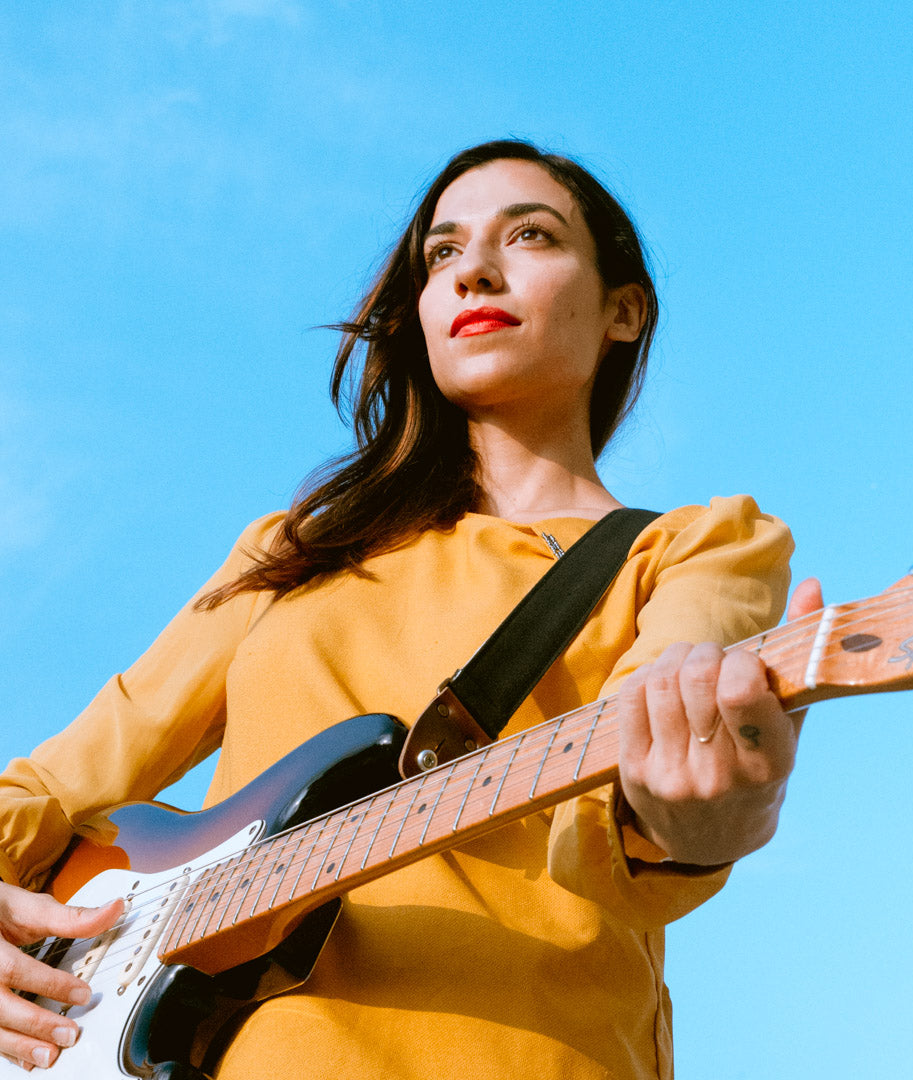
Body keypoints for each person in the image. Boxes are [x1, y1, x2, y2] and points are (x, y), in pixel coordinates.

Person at [0, 140, 821, 1078]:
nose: (475, 267)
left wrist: (707, 817)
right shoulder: (297, 550)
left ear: (623, 311)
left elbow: (649, 801)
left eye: (531, 235)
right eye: (442, 253)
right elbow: (50, 790)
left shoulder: (695, 547)